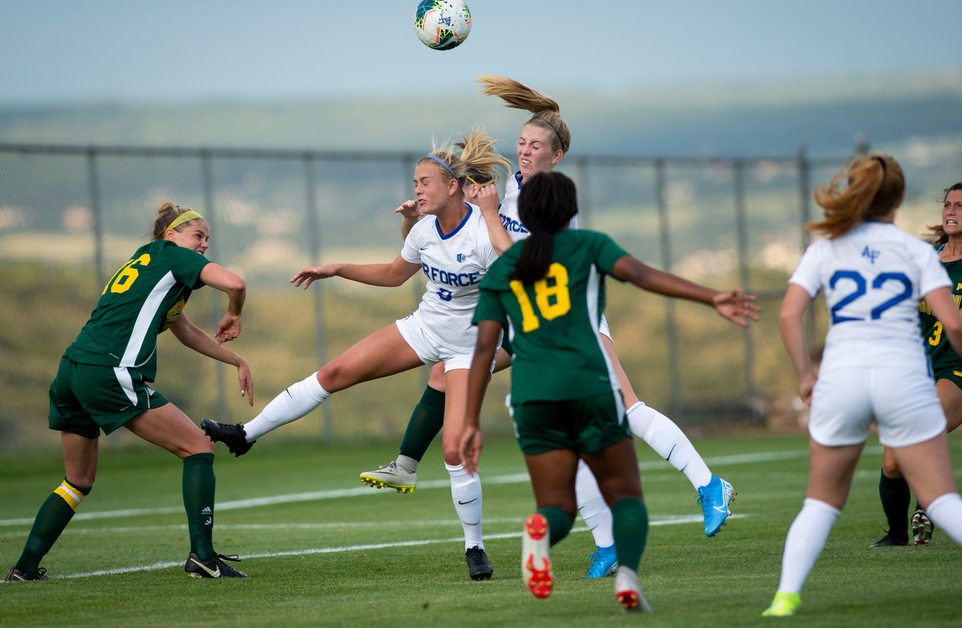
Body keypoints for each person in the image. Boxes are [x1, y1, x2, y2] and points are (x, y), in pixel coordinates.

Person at [358, 75, 738, 580]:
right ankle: (602, 544)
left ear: (556, 156)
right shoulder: (508, 187)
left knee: (625, 406)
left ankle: (709, 485)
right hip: (532, 323)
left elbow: (523, 258)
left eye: (536, 146)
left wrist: (489, 213)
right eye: (521, 142)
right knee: (463, 381)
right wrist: (424, 210)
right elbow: (456, 213)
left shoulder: (555, 199)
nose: (525, 151)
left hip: (572, 316)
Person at [201, 128, 510, 581]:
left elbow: (514, 287)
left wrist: (506, 346)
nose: (417, 189)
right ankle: (245, 434)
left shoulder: (484, 233)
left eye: (424, 182)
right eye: (414, 183)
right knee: (335, 371)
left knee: (453, 450)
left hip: (468, 347)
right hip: (423, 328)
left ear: (452, 186)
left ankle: (475, 547)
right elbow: (392, 274)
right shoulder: (424, 229)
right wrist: (336, 268)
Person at [458, 171, 759, 613]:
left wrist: (468, 422)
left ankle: (542, 529)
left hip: (532, 398)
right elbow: (642, 275)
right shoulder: (588, 246)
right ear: (570, 210)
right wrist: (709, 297)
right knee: (627, 496)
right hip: (589, 387)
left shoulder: (504, 267)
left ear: (523, 213)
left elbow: (484, 350)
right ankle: (629, 579)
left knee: (557, 506)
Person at [762, 155, 962, 617]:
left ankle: (785, 598)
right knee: (941, 498)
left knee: (820, 502)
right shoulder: (912, 252)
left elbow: (789, 314)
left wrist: (806, 376)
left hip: (842, 379)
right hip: (902, 378)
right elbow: (954, 323)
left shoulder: (828, 246)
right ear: (899, 199)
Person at [5, 203, 254, 582]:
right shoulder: (172, 255)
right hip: (108, 370)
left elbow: (183, 330)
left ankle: (23, 568)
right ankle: (203, 557)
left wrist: (235, 359)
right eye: (198, 236)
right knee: (199, 447)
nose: (204, 245)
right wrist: (234, 312)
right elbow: (235, 283)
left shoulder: (147, 262)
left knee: (77, 480)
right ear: (171, 235)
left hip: (72, 370)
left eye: (207, 238)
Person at [871, 182, 962, 548]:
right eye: (947, 204)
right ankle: (897, 535)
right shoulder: (921, 259)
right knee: (894, 462)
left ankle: (927, 507)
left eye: (960, 206)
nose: (950, 210)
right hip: (911, 374)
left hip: (959, 372)